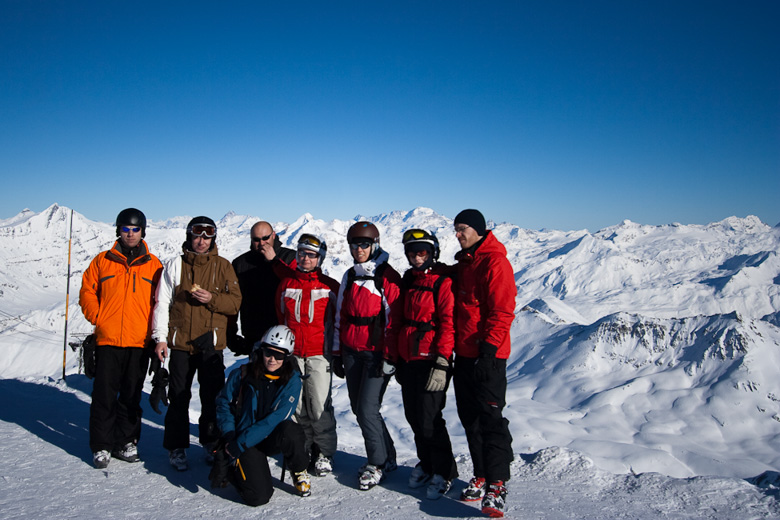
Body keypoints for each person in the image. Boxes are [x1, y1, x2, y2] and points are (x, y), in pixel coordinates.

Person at [151, 216, 242, 471]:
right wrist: (160, 338)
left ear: (213, 238)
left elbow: (235, 303)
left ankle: (211, 442)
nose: (201, 241)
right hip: (181, 342)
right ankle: (176, 446)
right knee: (178, 395)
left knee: (212, 397)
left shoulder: (223, 266)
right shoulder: (175, 265)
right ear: (189, 236)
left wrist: (212, 299)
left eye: (207, 236)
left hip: (210, 343)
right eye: (197, 235)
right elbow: (162, 303)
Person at [79, 208, 163, 468]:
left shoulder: (154, 265)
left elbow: (161, 301)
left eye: (135, 229)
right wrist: (98, 317)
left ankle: (125, 441)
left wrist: (155, 333)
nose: (130, 234)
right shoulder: (102, 261)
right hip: (108, 341)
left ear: (143, 232)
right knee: (104, 396)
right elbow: (87, 290)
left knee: (131, 395)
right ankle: (101, 446)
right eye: (126, 229)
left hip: (139, 342)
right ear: (118, 230)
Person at [451, 209, 516, 518]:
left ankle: (497, 484)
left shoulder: (495, 263)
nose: (458, 234)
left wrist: (488, 351)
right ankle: (480, 475)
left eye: (462, 228)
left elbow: (502, 311)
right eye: (455, 229)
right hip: (464, 355)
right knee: (470, 419)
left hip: (488, 356)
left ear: (478, 230)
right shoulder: (466, 263)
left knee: (491, 420)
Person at [332, 221, 403, 491]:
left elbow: (393, 320)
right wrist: (338, 352)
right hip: (352, 352)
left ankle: (377, 463)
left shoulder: (386, 277)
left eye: (364, 244)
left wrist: (390, 357)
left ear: (375, 245)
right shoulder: (350, 276)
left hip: (376, 355)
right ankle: (388, 456)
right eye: (354, 244)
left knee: (367, 409)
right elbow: (340, 315)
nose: (358, 249)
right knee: (358, 407)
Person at [211, 325, 311, 505]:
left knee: (292, 431)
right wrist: (229, 436)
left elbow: (277, 418)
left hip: (264, 438)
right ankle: (234, 470)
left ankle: (299, 470)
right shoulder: (242, 374)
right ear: (261, 351)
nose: (272, 360)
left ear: (287, 357)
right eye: (268, 353)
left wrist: (240, 444)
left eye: (279, 355)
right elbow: (223, 403)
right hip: (244, 438)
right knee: (258, 497)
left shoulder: (292, 381)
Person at [396, 229, 458, 500]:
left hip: (431, 359)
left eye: (422, 251)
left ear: (433, 253)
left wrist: (442, 361)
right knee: (413, 415)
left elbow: (447, 323)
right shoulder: (409, 279)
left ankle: (444, 471)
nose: (416, 257)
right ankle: (427, 463)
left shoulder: (442, 282)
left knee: (430, 418)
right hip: (409, 358)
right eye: (411, 252)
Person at [274, 234, 339, 477]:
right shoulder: (287, 285)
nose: (305, 258)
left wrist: (336, 352)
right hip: (294, 355)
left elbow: (338, 321)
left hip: (319, 354)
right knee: (299, 406)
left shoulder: (329, 286)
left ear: (320, 258)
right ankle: (307, 448)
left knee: (319, 405)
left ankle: (325, 452)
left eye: (311, 255)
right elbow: (281, 316)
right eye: (302, 253)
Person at [229, 221, 296, 355]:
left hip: (285, 335)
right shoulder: (240, 264)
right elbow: (233, 302)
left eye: (265, 238)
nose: (261, 243)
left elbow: (298, 286)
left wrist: (274, 261)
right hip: (254, 335)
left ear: (274, 235)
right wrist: (231, 336)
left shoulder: (290, 258)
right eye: (256, 240)